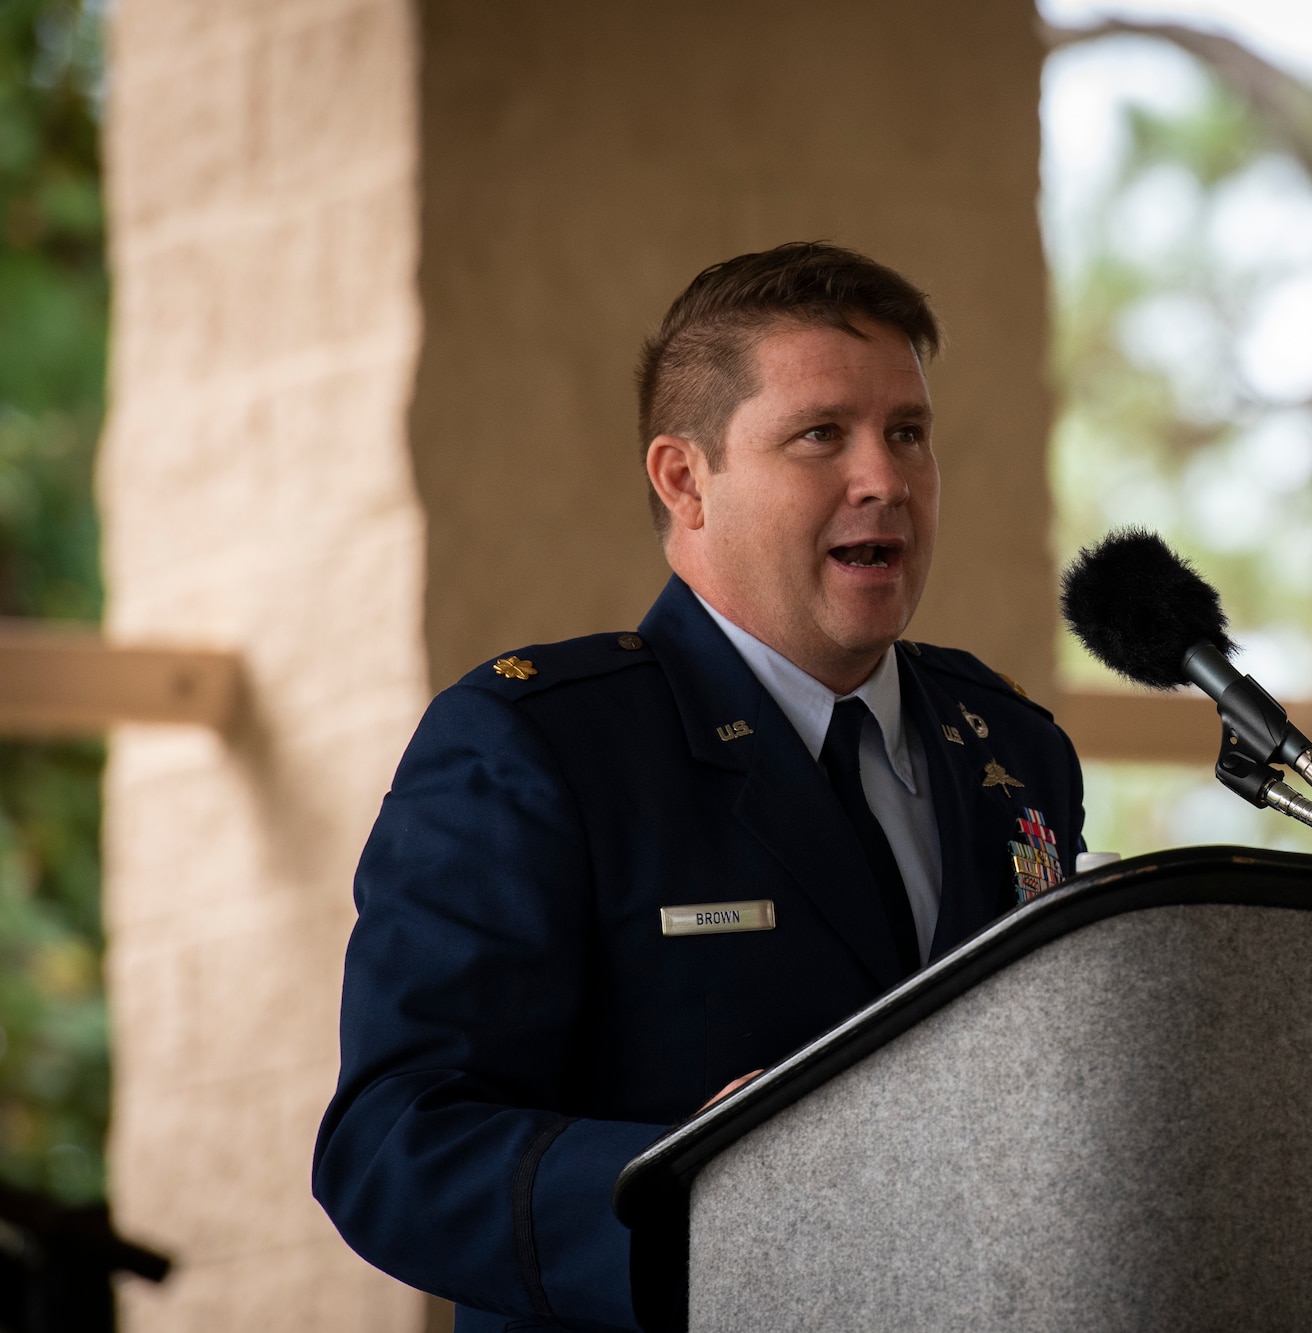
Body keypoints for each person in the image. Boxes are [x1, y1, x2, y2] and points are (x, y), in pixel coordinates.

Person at [311, 243, 1086, 1332]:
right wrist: (689, 1190)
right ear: (685, 481)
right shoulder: (539, 746)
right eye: (822, 435)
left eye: (906, 433)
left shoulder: (1009, 744)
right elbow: (393, 1147)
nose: (885, 479)